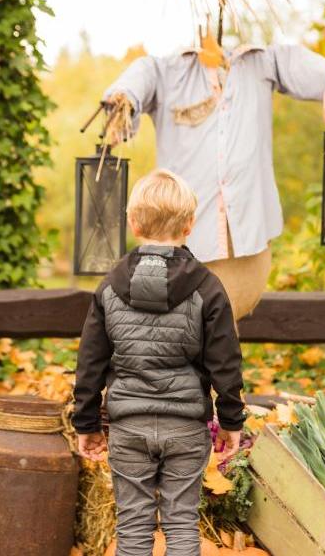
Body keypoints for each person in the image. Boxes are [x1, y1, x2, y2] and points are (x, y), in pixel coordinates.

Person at [103, 42, 325, 319]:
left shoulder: (261, 62)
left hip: (246, 243)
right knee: (186, 333)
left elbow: (297, 63)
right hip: (182, 244)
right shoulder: (165, 71)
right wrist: (123, 102)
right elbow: (136, 81)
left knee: (216, 331)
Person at [72, 169, 246, 556]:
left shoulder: (110, 286)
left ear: (133, 223)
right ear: (189, 225)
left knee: (132, 528)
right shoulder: (207, 287)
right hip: (184, 427)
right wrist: (231, 421)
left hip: (128, 426)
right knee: (182, 523)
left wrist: (86, 422)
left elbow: (91, 362)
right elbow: (225, 363)